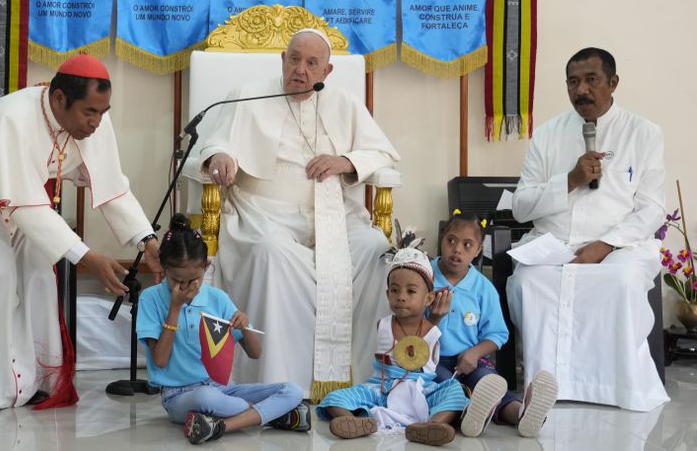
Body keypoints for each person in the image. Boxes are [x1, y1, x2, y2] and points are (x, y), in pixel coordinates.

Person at [0, 55, 163, 409]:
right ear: (59, 99)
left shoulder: (95, 123)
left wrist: (145, 239)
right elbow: (27, 208)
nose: (96, 122)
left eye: (103, 112)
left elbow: (112, 187)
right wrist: (88, 256)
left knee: (39, 271)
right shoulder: (10, 120)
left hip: (19, 204)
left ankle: (33, 377)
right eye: (89, 112)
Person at [199, 28, 400, 400]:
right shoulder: (248, 96)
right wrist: (221, 156)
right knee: (269, 252)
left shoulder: (345, 105)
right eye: (294, 59)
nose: (301, 69)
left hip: (334, 213)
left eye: (312, 63)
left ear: (327, 71)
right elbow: (213, 143)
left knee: (373, 245)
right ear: (282, 60)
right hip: (262, 212)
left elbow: (384, 154)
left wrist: (345, 161)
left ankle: (359, 379)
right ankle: (280, 383)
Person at [507, 47, 670, 411]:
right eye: (573, 82)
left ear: (613, 83)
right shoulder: (547, 135)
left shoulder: (643, 133)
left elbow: (652, 209)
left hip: (620, 248)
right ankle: (545, 388)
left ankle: (617, 389)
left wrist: (606, 245)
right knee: (530, 283)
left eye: (591, 80)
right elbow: (520, 207)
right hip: (555, 244)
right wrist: (571, 179)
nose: (581, 90)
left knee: (621, 282)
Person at [136, 214, 310, 445]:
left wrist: (245, 326)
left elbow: (255, 353)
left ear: (206, 267)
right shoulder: (151, 298)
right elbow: (159, 360)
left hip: (220, 390)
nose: (186, 287)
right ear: (164, 268)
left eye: (194, 280)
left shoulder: (217, 298)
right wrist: (175, 308)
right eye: (177, 280)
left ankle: (220, 426)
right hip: (178, 396)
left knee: (293, 390)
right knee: (206, 398)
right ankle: (275, 415)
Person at [316, 247, 471, 446]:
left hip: (421, 390)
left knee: (455, 391)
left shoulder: (433, 331)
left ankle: (432, 425)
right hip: (381, 388)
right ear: (387, 294)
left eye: (411, 291)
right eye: (395, 290)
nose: (401, 296)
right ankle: (354, 422)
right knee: (334, 397)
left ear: (428, 299)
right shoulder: (384, 325)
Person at [432, 212, 558, 438]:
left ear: (478, 250)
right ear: (442, 239)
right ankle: (471, 411)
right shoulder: (425, 276)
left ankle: (522, 413)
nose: (457, 249)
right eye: (451, 240)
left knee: (488, 384)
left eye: (467, 245)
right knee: (442, 386)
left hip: (472, 359)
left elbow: (498, 334)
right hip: (433, 360)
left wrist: (474, 353)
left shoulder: (483, 288)